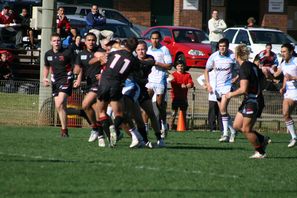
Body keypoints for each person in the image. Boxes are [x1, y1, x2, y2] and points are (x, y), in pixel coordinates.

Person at [226, 44, 270, 158]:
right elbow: (264, 81)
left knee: (246, 129)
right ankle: (262, 139)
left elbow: (243, 89)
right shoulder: (251, 65)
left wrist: (230, 94)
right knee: (236, 126)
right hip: (252, 99)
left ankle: (260, 152)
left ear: (236, 55)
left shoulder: (244, 68)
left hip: (252, 101)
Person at [96, 37, 140, 147]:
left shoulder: (115, 52)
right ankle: (115, 128)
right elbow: (137, 73)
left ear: (125, 44)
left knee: (101, 112)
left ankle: (110, 130)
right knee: (119, 113)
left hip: (104, 82)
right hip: (117, 85)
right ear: (135, 48)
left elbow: (103, 59)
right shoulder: (134, 61)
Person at [73, 32, 106, 146]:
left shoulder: (100, 52)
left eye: (93, 40)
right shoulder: (81, 54)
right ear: (85, 41)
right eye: (89, 40)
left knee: (86, 105)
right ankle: (102, 132)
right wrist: (77, 76)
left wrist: (103, 74)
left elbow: (109, 65)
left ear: (95, 41)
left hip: (99, 84)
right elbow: (79, 68)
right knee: (95, 110)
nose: (91, 42)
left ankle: (97, 131)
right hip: (88, 84)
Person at [204, 38, 237, 143]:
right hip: (217, 87)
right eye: (220, 46)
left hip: (227, 87)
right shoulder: (214, 56)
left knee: (222, 109)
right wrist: (208, 84)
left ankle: (225, 134)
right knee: (224, 112)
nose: (222, 48)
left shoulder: (233, 56)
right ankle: (233, 130)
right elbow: (206, 70)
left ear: (228, 47)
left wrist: (235, 80)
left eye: (224, 46)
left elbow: (240, 70)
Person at [135, 40, 165, 147]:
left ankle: (159, 138)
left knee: (151, 113)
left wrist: (134, 61)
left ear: (146, 49)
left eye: (143, 49)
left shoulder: (150, 58)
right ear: (135, 50)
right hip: (133, 89)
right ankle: (140, 138)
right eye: (138, 50)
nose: (141, 51)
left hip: (142, 89)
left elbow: (150, 62)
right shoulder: (133, 60)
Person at [43, 33, 74, 137]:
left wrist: (77, 78)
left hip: (66, 79)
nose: (57, 42)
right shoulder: (48, 54)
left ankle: (65, 129)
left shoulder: (67, 52)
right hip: (55, 81)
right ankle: (64, 130)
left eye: (58, 40)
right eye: (54, 41)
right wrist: (45, 78)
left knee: (59, 103)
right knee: (60, 107)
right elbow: (47, 67)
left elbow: (77, 65)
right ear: (51, 42)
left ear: (61, 42)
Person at [146, 31, 172, 138]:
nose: (154, 40)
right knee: (146, 104)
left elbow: (169, 66)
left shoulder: (164, 49)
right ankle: (145, 127)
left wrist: (156, 63)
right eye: (153, 38)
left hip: (160, 81)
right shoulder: (147, 50)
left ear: (160, 39)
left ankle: (164, 124)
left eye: (157, 38)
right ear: (150, 39)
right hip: (149, 81)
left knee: (159, 105)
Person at [275, 43, 297, 148]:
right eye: (281, 52)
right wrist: (283, 87)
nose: (282, 54)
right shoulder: (283, 64)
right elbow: (283, 76)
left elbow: (290, 76)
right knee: (285, 114)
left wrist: (293, 78)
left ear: (291, 52)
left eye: (284, 52)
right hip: (289, 93)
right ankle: (294, 137)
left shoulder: (296, 61)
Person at [169, 60, 194, 130]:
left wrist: (187, 85)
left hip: (183, 98)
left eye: (182, 66)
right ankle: (170, 128)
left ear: (184, 67)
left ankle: (183, 128)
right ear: (176, 67)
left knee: (183, 114)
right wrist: (180, 85)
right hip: (175, 98)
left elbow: (191, 83)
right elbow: (172, 81)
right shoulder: (173, 75)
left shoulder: (187, 75)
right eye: (179, 66)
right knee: (173, 113)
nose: (180, 67)